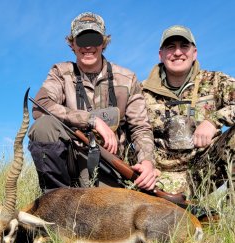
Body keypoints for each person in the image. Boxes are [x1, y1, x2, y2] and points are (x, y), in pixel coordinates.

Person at [28, 12, 157, 193]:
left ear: (103, 43)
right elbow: (41, 106)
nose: (88, 46)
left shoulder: (127, 79)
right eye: (81, 40)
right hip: (72, 162)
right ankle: (56, 198)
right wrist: (92, 120)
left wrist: (147, 162)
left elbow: (140, 127)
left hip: (111, 164)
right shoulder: (60, 72)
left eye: (94, 39)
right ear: (72, 44)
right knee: (43, 126)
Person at [142, 25, 235, 197]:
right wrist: (145, 163)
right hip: (158, 177)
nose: (178, 52)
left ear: (194, 53)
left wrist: (213, 120)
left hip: (204, 170)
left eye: (184, 46)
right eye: (171, 47)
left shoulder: (215, 81)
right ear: (161, 55)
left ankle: (228, 218)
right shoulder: (141, 92)